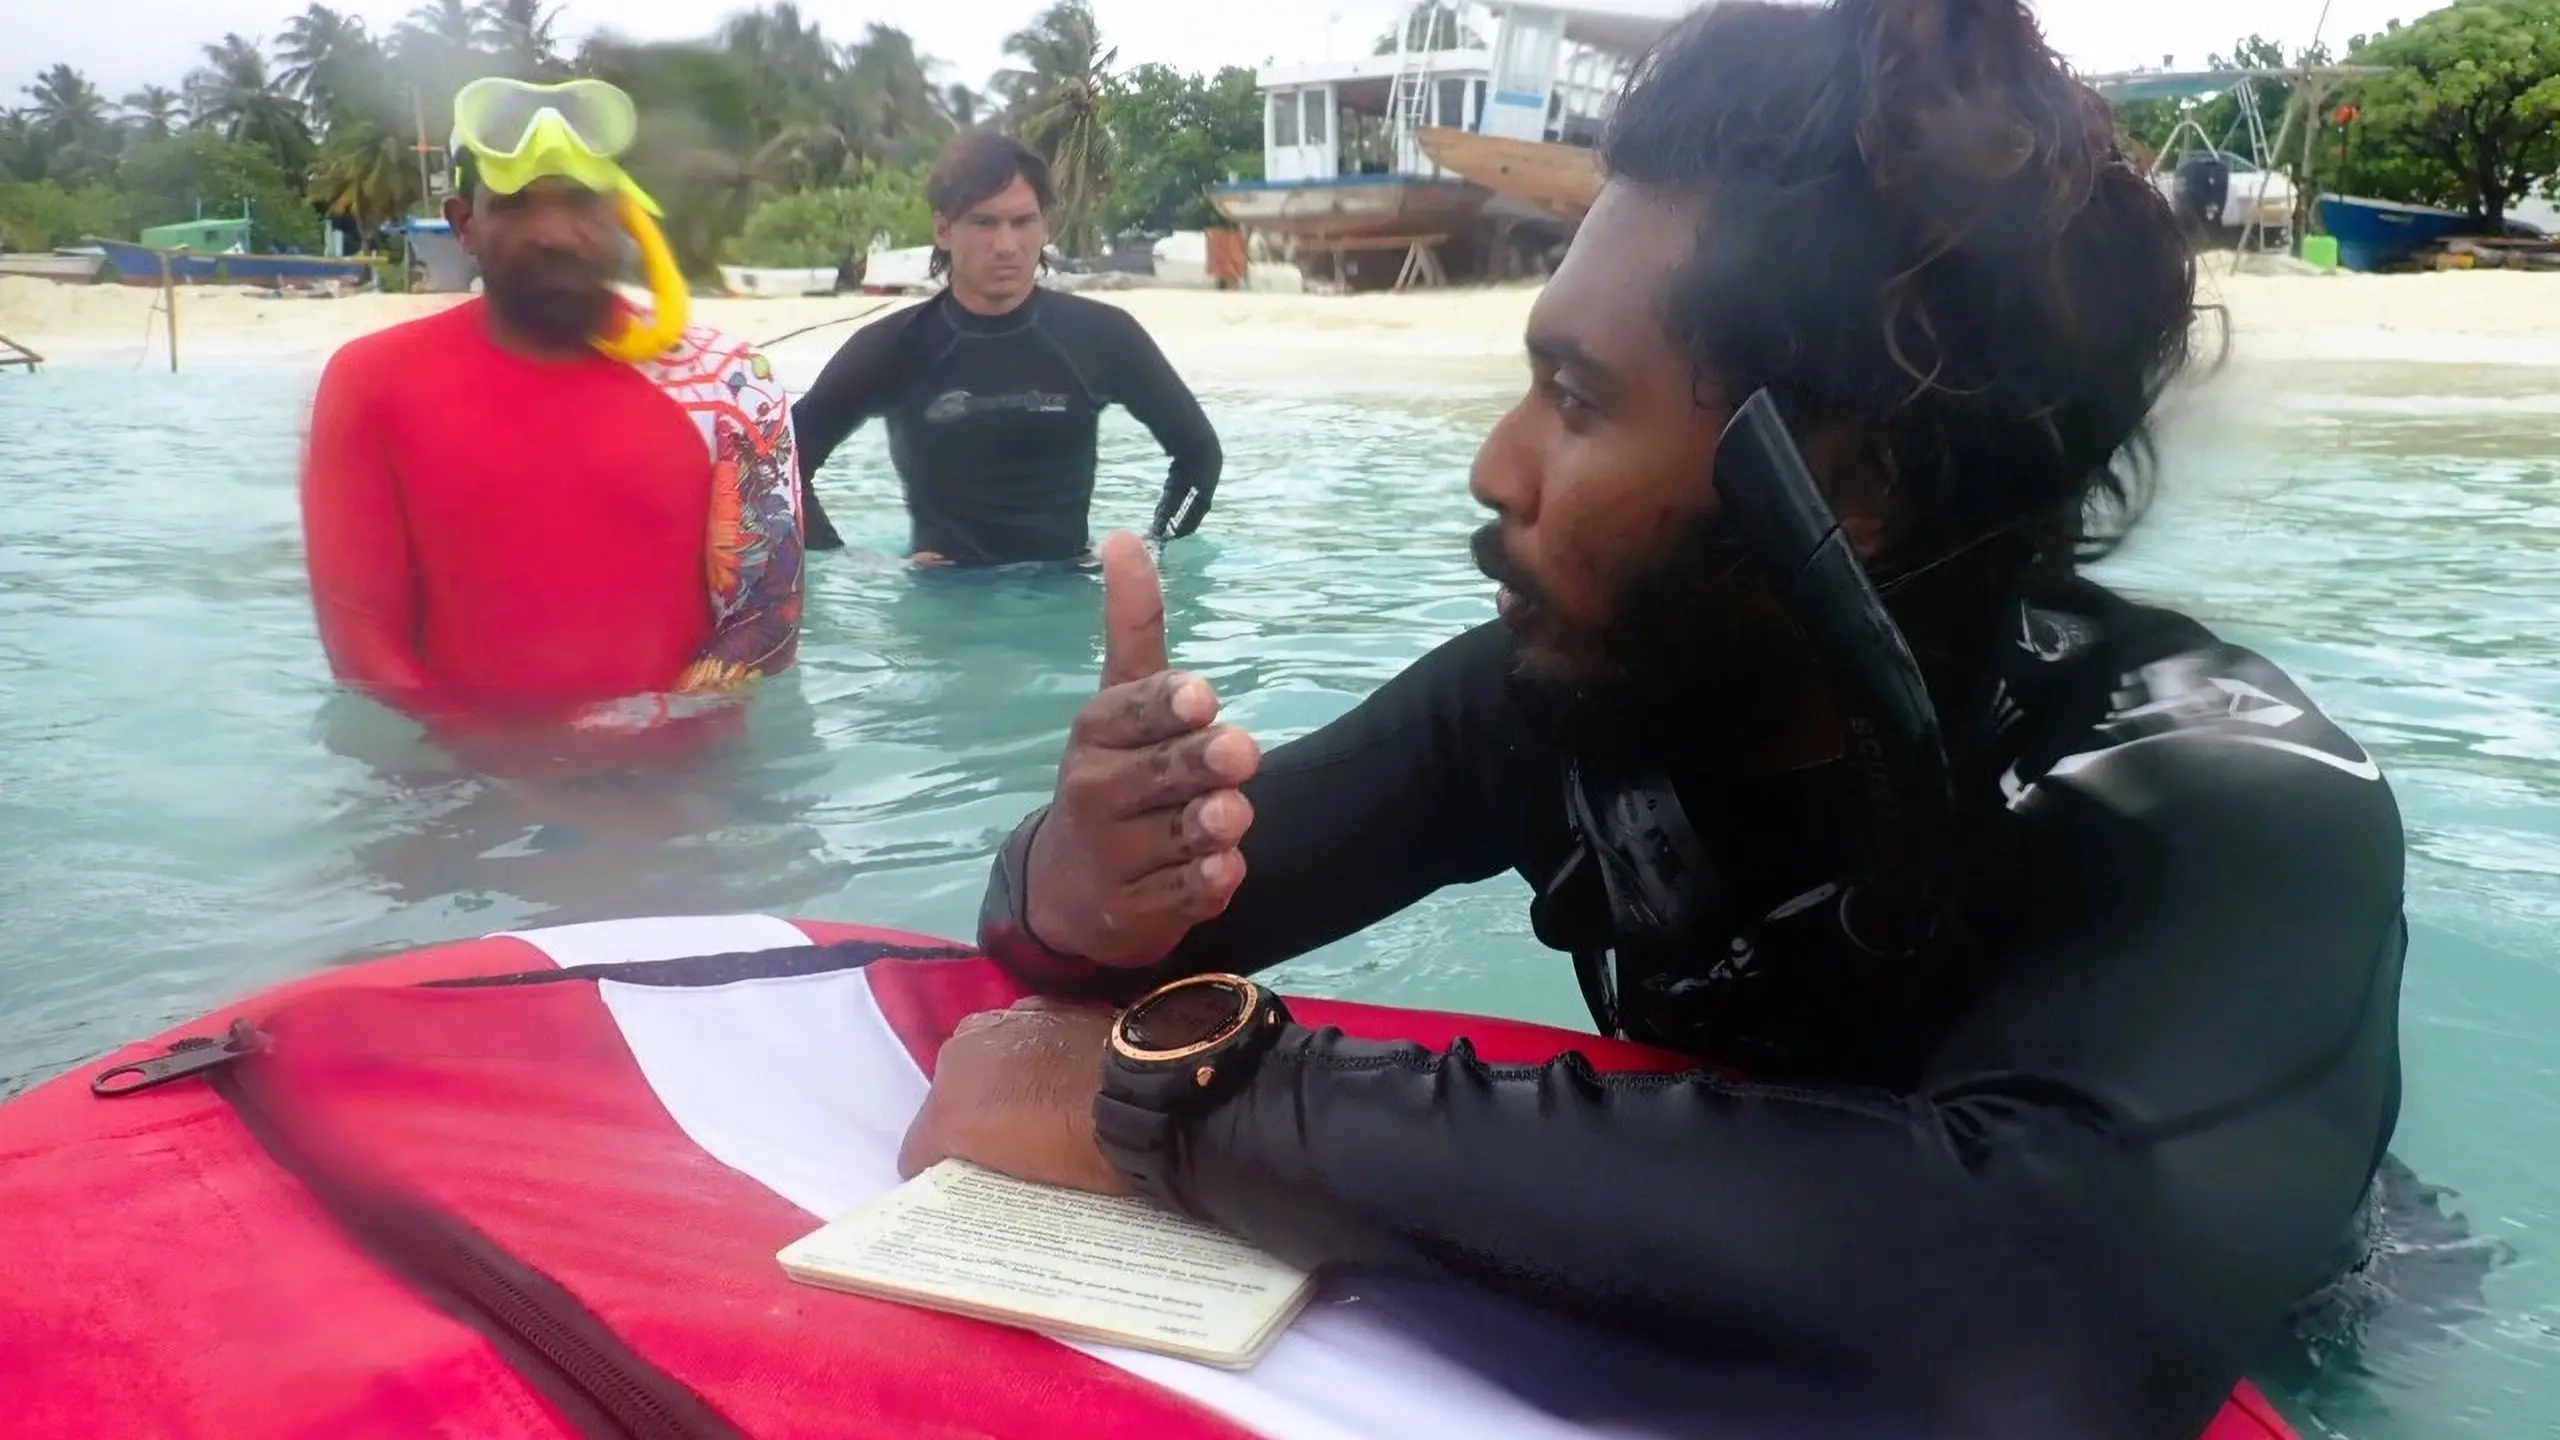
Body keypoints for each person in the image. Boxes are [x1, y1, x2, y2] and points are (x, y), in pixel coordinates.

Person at [896, 4, 2411, 1438]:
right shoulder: (1578, 693)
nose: (1497, 467)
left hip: (2306, 1366)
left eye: (1577, 396)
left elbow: (2040, 1298)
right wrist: (1076, 884)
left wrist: (1192, 1108)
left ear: (1853, 487)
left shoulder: (2223, 794)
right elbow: (1107, 949)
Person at [299, 76, 803, 746]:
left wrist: (642, 746)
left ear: (625, 217)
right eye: (515, 205)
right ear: (464, 224)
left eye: (582, 203)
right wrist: (499, 772)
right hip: (454, 793)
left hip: (672, 791)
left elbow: (768, 621)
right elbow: (361, 640)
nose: (553, 233)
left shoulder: (735, 382)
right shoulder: (369, 382)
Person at [789, 128, 1222, 565]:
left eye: (1023, 222)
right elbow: (776, 464)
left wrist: (1153, 545)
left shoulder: (1103, 336)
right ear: (943, 229)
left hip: (1065, 598)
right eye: (984, 222)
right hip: (939, 605)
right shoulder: (892, 347)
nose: (1006, 246)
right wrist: (850, 561)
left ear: (1044, 226)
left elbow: (1200, 455)